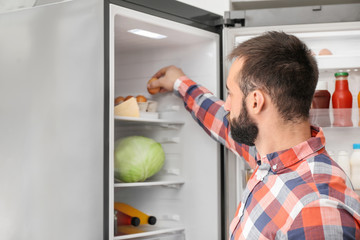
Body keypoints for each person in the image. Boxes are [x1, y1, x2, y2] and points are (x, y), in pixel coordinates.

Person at [147, 31, 360, 239]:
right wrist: (179, 83)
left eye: (230, 93)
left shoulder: (317, 211)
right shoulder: (271, 157)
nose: (227, 105)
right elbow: (223, 122)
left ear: (256, 102)